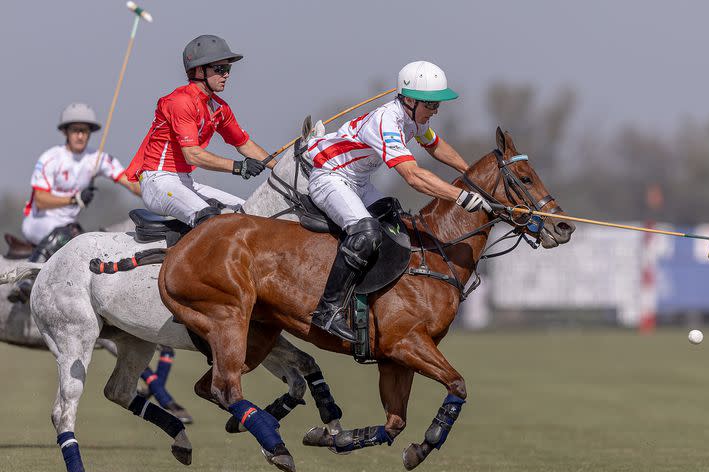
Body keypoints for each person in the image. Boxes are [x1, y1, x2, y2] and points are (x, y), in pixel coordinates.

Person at [306, 61, 491, 341]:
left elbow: (435, 145)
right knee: (366, 234)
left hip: (358, 182)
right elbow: (413, 177)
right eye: (430, 104)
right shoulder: (387, 121)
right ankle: (327, 309)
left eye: (437, 105)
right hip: (329, 177)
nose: (435, 110)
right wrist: (461, 196)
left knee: (396, 222)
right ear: (409, 99)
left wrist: (469, 175)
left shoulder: (415, 120)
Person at [125, 34, 275, 226]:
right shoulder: (180, 101)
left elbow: (244, 144)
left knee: (250, 213)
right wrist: (238, 167)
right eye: (220, 69)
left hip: (184, 181)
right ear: (198, 71)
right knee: (212, 222)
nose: (226, 74)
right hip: (159, 182)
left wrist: (281, 169)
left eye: (228, 68)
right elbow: (192, 155)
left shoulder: (220, 108)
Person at [8, 103, 140, 303]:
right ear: (65, 132)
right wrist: (75, 199)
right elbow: (41, 200)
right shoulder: (51, 158)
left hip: (70, 227)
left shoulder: (97, 159)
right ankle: (24, 282)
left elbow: (129, 182)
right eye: (75, 130)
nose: (80, 136)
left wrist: (155, 191)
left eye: (84, 131)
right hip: (39, 221)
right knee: (67, 233)